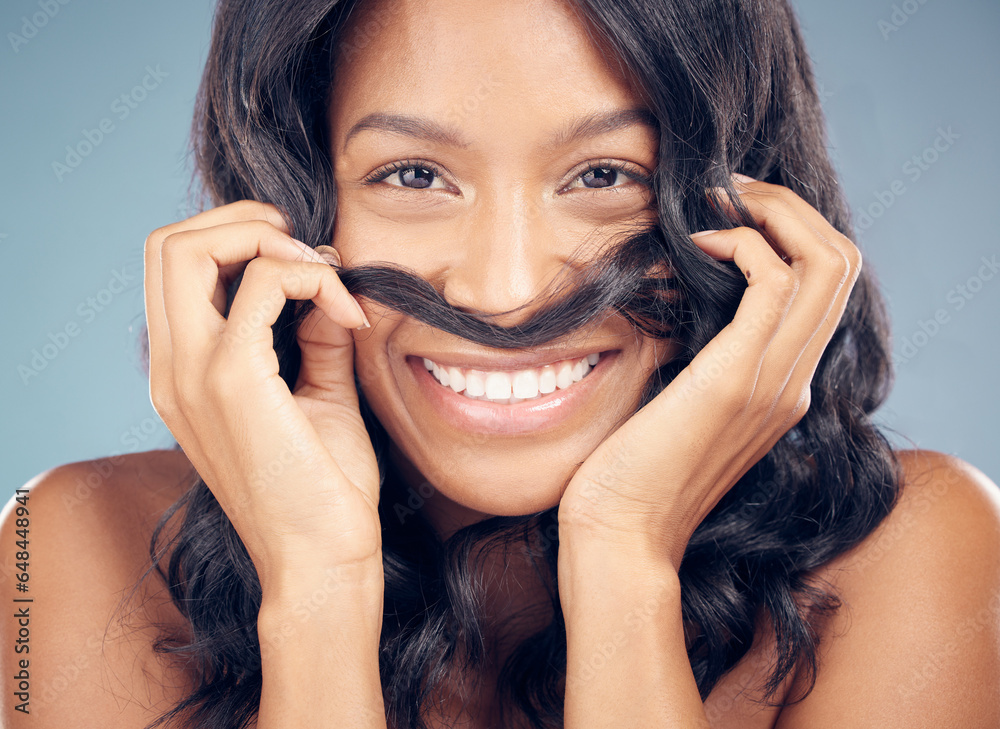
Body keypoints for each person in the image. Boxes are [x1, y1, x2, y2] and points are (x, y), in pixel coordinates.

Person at [4, 0, 999, 727]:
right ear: (295, 210)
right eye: (414, 174)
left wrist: (624, 560)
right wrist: (315, 590)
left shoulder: (917, 554)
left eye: (603, 174)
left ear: (741, 207)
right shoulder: (53, 555)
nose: (503, 289)